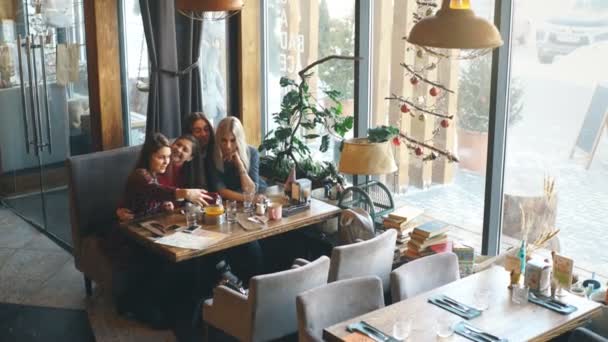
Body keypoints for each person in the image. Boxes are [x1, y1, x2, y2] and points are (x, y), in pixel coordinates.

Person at [213, 116, 260, 201]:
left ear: (239, 139)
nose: (228, 146)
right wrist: (250, 199)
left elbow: (251, 190)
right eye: (224, 140)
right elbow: (221, 191)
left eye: (233, 140)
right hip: (229, 203)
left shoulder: (252, 153)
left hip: (253, 199)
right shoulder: (213, 156)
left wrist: (240, 165)